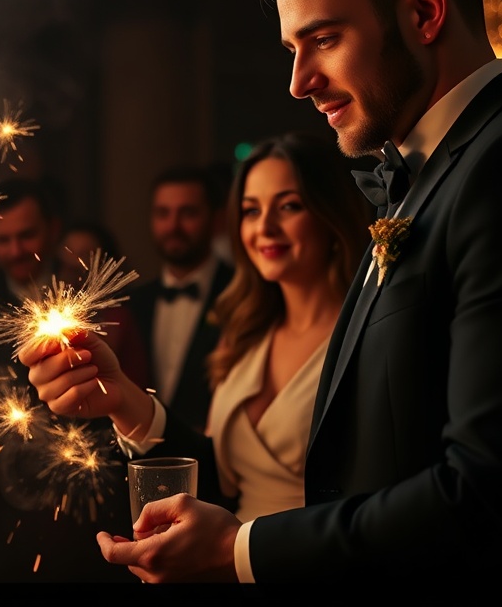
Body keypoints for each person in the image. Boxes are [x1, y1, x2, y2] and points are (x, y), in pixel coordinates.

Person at [18, 0, 502, 593]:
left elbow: (492, 498)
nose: (298, 82)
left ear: (423, 10)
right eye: (294, 46)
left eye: (323, 39)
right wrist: (128, 402)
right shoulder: (430, 175)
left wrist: (241, 551)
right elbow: (362, 465)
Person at [32, 132, 370, 522]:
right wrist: (121, 396)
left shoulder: (363, 335)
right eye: (251, 210)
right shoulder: (244, 331)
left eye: (289, 206)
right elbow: (214, 481)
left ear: (332, 214)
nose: (266, 227)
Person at [0, 176, 136, 582]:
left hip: (84, 502)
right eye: (3, 239)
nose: (15, 250)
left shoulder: (82, 294)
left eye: (27, 235)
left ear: (53, 229)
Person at [124, 164, 234, 432]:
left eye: (188, 213)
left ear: (216, 220)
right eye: (163, 213)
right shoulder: (134, 303)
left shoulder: (241, 293)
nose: (173, 226)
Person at [54, 218, 148, 387]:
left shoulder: (117, 317)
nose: (73, 263)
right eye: (69, 252)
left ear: (104, 265)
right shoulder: (51, 311)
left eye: (83, 255)